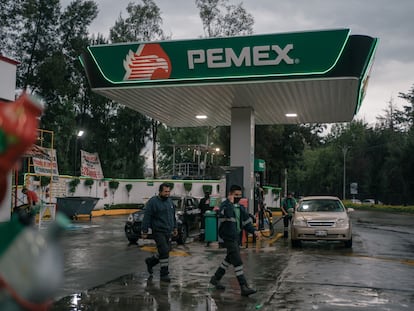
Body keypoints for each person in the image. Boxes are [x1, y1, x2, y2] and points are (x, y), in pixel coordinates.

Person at [209, 184, 260, 297]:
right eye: (236, 195)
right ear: (230, 194)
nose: (238, 197)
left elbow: (246, 223)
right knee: (237, 261)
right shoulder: (225, 206)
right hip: (228, 237)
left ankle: (215, 279)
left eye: (240, 195)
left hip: (236, 237)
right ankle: (243, 286)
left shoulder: (241, 208)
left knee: (229, 259)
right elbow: (225, 214)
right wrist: (230, 203)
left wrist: (254, 231)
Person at [142, 183, 178, 282]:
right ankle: (164, 274)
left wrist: (175, 228)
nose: (168, 193)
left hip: (168, 231)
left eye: (169, 191)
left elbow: (173, 216)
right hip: (158, 231)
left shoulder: (170, 202)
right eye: (165, 191)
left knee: (166, 250)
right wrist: (144, 231)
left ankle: (151, 262)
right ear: (160, 192)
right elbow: (147, 216)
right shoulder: (153, 202)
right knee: (164, 251)